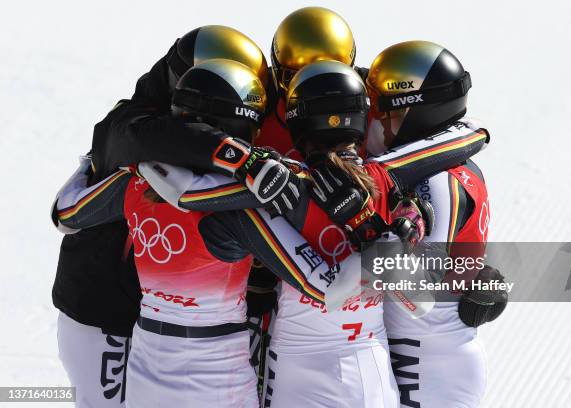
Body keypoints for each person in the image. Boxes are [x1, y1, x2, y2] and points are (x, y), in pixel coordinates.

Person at [141, 60, 489, 407]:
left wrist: (242, 164)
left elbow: (174, 183)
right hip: (373, 359)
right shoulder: (389, 178)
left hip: (301, 365)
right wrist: (395, 239)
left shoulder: (283, 183)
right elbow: (471, 131)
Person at [53, 60, 361, 408]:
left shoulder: (133, 182)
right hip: (217, 380)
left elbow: (66, 213)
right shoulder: (243, 211)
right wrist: (390, 245)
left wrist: (92, 162)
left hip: (145, 366)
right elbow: (326, 288)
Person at [363, 40, 507, 408]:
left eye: (384, 114)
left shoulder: (437, 180)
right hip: (418, 347)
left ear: (416, 113)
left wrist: (370, 239)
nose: (374, 125)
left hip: (428, 359)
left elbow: (417, 296)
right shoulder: (438, 163)